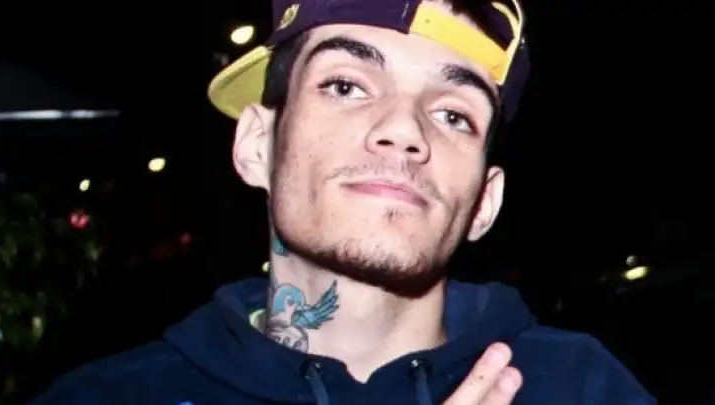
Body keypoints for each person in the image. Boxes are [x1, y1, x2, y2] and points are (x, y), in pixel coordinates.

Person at [32, 0, 656, 404]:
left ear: (485, 202)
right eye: (345, 85)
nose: (405, 130)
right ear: (257, 145)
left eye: (453, 115)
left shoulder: (581, 387)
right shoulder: (107, 397)